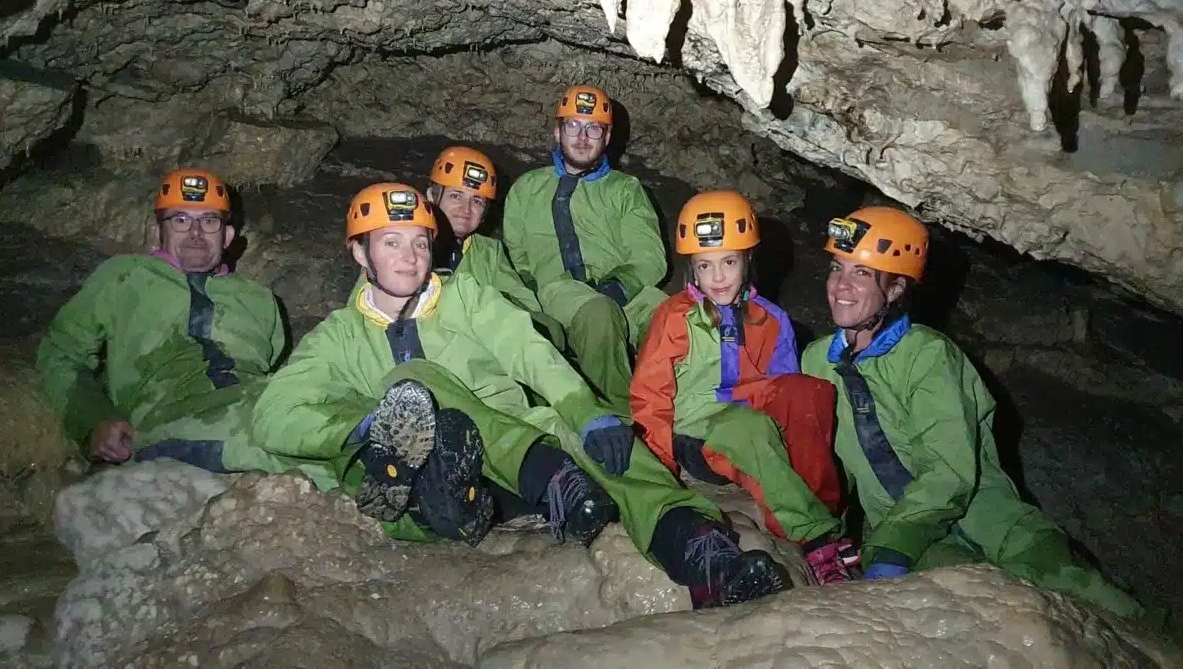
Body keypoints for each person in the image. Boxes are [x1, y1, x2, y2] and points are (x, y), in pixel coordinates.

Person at [253, 184, 786, 607]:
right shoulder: (339, 335)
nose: (411, 257)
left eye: (419, 241)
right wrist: (364, 426)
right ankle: (537, 485)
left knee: (618, 452)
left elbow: (529, 351)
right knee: (409, 383)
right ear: (359, 252)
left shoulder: (466, 296)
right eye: (391, 242)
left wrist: (584, 412)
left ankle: (706, 557)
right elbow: (273, 416)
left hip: (528, 443)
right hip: (449, 484)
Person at [800, 205, 1149, 620]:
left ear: (895, 289)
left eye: (861, 273)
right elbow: (825, 465)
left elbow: (951, 472)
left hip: (991, 521)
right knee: (984, 617)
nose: (841, 285)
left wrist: (895, 543)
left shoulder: (928, 356)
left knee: (1103, 607)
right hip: (908, 536)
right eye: (837, 268)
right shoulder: (816, 362)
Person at [631, 191, 858, 585]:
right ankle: (815, 537)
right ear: (692, 270)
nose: (718, 278)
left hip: (750, 421)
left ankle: (823, 508)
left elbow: (783, 391)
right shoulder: (674, 317)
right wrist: (660, 471)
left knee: (810, 392)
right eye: (705, 266)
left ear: (747, 261)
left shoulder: (771, 319)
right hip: (696, 435)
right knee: (747, 428)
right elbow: (651, 395)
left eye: (729, 262)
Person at [36, 168, 308, 478]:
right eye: (180, 220)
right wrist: (94, 420)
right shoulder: (125, 277)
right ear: (158, 232)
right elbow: (61, 353)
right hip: (172, 419)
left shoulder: (260, 299)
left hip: (253, 404)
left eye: (209, 221)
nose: (195, 233)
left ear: (227, 236)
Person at [503, 85, 668, 411]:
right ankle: (624, 419)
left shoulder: (625, 189)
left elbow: (650, 257)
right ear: (558, 131)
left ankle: (684, 411)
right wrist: (530, 299)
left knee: (669, 314)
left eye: (593, 128)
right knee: (597, 313)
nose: (582, 137)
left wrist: (617, 286)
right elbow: (516, 256)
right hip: (557, 291)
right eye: (573, 126)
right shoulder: (527, 188)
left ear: (606, 138)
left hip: (621, 289)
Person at [349, 145, 564, 349]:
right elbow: (360, 317)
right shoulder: (407, 251)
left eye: (477, 201)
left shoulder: (488, 251)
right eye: (455, 196)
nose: (466, 208)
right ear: (432, 197)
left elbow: (524, 302)